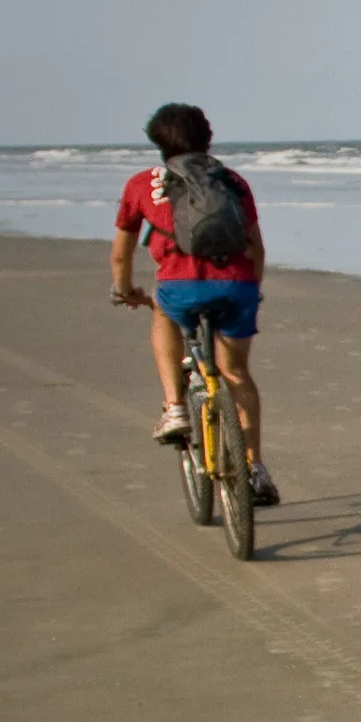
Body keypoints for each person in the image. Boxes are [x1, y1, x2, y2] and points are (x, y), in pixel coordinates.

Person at [110, 102, 279, 505]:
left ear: (157, 143)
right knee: (236, 372)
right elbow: (256, 247)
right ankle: (254, 466)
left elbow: (121, 254)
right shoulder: (233, 182)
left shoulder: (142, 185)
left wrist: (124, 290)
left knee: (162, 310)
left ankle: (174, 407)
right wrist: (250, 288)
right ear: (208, 138)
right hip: (236, 286)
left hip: (180, 289)